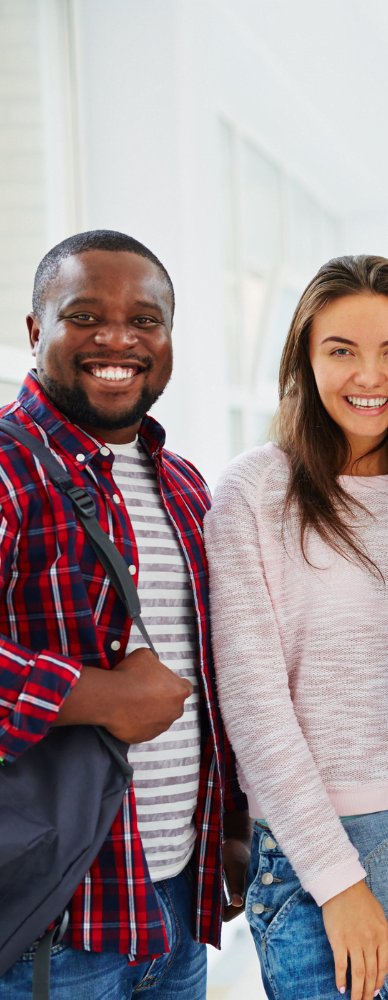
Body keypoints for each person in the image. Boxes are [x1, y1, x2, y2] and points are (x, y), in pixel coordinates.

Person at [206, 256, 388, 1000]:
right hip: (327, 857)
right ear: (305, 355)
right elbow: (255, 708)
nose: (369, 375)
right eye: (342, 350)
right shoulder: (255, 491)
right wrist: (338, 883)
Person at [0, 230, 247, 1000]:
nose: (118, 339)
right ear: (36, 331)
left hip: (174, 905)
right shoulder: (7, 468)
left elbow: (212, 673)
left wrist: (231, 829)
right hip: (54, 920)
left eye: (145, 320)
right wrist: (94, 696)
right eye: (85, 316)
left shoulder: (184, 486)